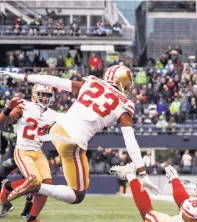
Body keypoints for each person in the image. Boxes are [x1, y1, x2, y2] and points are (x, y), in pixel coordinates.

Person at [0, 65, 160, 207]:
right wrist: (143, 173)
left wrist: (24, 77)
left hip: (57, 129)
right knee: (77, 195)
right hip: (73, 140)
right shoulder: (124, 104)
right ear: (123, 82)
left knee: (69, 167)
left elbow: (56, 81)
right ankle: (36, 186)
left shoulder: (92, 82)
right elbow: (130, 142)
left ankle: (30, 185)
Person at [0, 84, 57, 222]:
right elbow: (3, 122)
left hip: (38, 152)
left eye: (48, 95)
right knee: (34, 180)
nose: (45, 98)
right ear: (34, 94)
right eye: (42, 94)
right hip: (23, 150)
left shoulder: (53, 114)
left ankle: (31, 220)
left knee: (47, 186)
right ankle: (7, 188)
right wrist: (7, 109)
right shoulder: (24, 106)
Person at [0, 125, 32, 219]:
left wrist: (14, 161)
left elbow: (30, 144)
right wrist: (2, 154)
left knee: (29, 181)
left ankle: (28, 209)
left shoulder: (22, 123)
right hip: (12, 150)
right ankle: (6, 203)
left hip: (27, 151)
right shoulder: (3, 124)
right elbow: (3, 139)